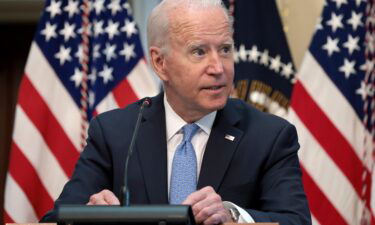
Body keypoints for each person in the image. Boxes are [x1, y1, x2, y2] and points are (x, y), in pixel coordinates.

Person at [42, 0, 311, 224]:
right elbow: (55, 220)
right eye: (199, 52)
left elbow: (295, 221)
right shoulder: (115, 132)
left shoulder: (269, 136)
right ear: (160, 63)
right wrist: (90, 216)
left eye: (225, 49)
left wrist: (234, 217)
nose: (218, 67)